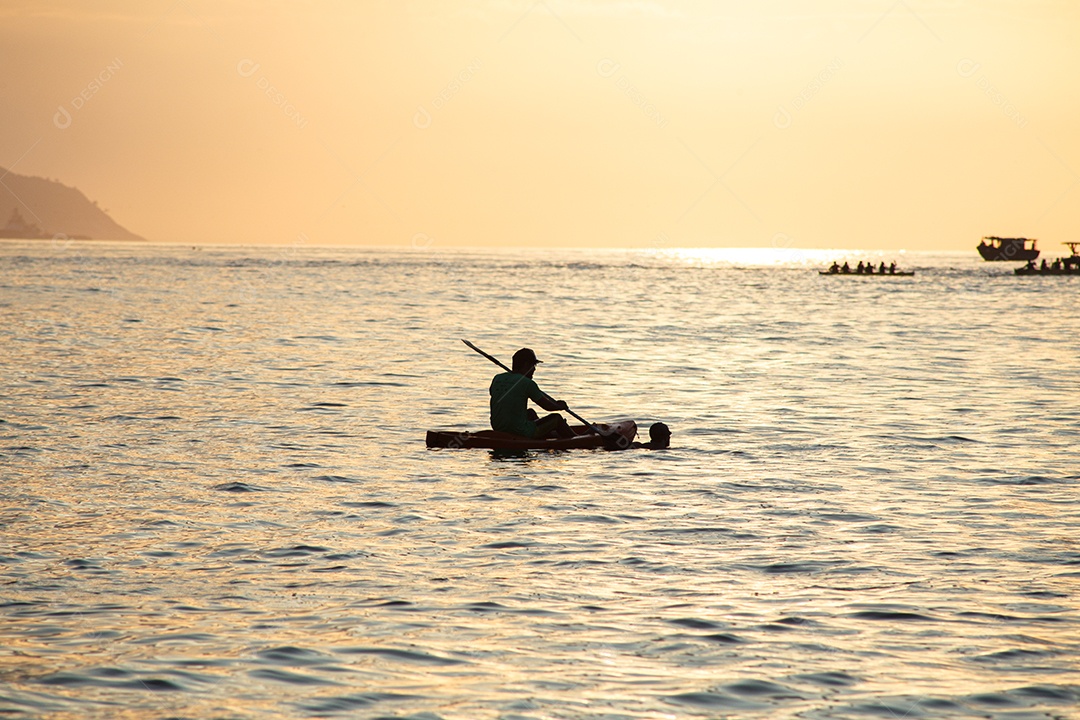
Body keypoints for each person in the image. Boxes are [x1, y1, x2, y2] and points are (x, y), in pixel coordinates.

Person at [489, 348, 574, 439]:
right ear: (526, 365)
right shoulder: (527, 383)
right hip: (518, 430)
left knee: (530, 413)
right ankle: (576, 438)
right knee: (556, 418)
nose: (534, 369)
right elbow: (547, 406)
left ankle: (549, 434)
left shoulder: (497, 378)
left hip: (498, 427)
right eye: (533, 365)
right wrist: (560, 406)